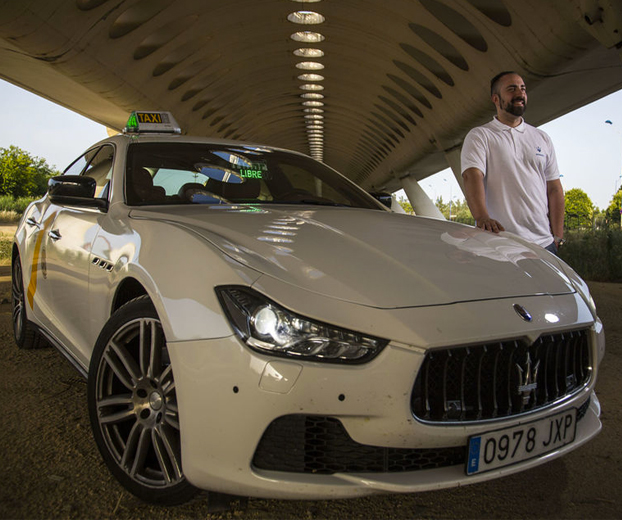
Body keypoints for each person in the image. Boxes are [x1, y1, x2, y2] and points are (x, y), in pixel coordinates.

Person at [461, 71, 565, 254]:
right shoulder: (480, 136)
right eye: (511, 89)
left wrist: (558, 235)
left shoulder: (542, 138)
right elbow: (472, 176)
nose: (520, 93)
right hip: (501, 243)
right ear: (495, 98)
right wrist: (482, 217)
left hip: (544, 244)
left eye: (523, 89)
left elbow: (555, 189)